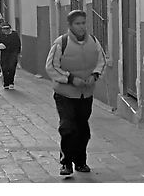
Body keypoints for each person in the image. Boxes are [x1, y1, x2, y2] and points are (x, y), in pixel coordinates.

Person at [45, 10, 106, 176]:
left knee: (82, 129)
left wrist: (95, 75)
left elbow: (101, 62)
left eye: (83, 23)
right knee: (67, 127)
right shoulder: (61, 43)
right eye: (77, 23)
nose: (81, 26)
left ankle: (80, 161)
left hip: (85, 94)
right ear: (70, 25)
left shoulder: (93, 42)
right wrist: (70, 79)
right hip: (65, 94)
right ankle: (66, 163)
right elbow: (51, 67)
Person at [0, 23, 22, 90]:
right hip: (4, 53)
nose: (5, 31)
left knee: (11, 67)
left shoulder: (14, 35)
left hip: (12, 53)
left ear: (9, 29)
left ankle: (11, 82)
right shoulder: (0, 35)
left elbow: (18, 44)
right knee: (4, 68)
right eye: (3, 29)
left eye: (6, 29)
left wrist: (17, 53)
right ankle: (6, 83)